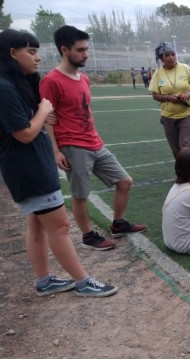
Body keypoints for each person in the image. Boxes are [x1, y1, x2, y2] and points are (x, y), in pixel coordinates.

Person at [0, 29, 118, 297]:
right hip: (29, 168)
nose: (37, 58)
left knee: (37, 223)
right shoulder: (5, 88)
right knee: (60, 226)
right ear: (12, 53)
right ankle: (84, 281)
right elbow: (25, 133)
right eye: (30, 52)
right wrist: (43, 110)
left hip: (32, 164)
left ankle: (44, 280)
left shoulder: (18, 82)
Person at [40, 25, 147, 251]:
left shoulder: (84, 79)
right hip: (72, 145)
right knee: (80, 195)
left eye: (86, 49)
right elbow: (47, 117)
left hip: (95, 142)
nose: (85, 54)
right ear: (64, 50)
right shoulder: (51, 81)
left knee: (124, 182)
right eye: (80, 50)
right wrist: (56, 151)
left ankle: (118, 223)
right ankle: (88, 236)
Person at [149, 42, 190, 159]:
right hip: (168, 117)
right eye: (167, 55)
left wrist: (188, 93)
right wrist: (168, 97)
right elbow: (155, 95)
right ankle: (182, 174)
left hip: (189, 113)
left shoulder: (185, 68)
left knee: (186, 147)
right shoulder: (158, 73)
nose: (171, 57)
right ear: (161, 58)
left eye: (173, 54)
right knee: (176, 150)